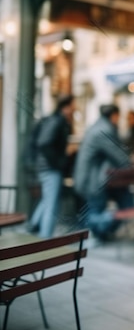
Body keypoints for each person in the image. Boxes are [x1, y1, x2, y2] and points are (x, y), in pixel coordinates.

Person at [73, 104, 134, 240]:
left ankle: (96, 232)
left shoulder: (97, 127)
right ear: (113, 116)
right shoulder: (104, 130)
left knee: (116, 204)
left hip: (94, 177)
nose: (119, 120)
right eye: (119, 117)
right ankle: (91, 230)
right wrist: (131, 161)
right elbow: (119, 156)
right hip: (92, 180)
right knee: (99, 210)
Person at [27, 94, 75, 238]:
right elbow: (44, 143)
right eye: (73, 105)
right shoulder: (57, 121)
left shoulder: (56, 120)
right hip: (50, 168)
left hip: (46, 167)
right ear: (65, 107)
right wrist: (58, 163)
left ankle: (33, 226)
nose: (74, 109)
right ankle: (45, 238)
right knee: (52, 204)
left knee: (48, 199)